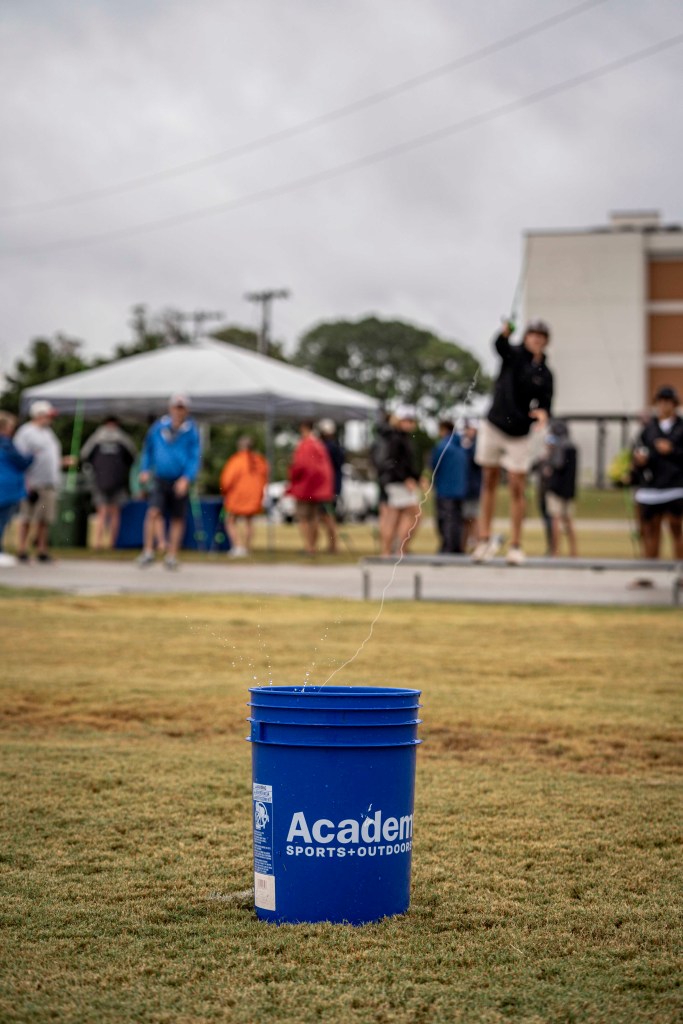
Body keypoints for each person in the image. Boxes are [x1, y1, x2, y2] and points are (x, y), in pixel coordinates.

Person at [473, 319, 553, 565]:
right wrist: (504, 334)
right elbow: (500, 346)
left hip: (520, 433)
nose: (536, 339)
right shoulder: (514, 354)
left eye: (541, 336)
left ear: (546, 341)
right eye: (532, 334)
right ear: (526, 337)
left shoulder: (545, 373)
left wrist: (543, 414)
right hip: (494, 424)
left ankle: (516, 545)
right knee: (489, 479)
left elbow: (546, 404)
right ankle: (483, 539)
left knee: (518, 485)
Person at [136, 395, 201, 569]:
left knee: (177, 518)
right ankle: (148, 551)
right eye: (176, 407)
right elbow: (148, 449)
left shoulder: (191, 430)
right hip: (160, 477)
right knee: (153, 512)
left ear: (186, 410)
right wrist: (145, 469)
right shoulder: (159, 426)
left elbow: (194, 457)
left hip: (180, 479)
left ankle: (172, 555)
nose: (178, 411)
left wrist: (187, 478)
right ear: (170, 408)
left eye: (181, 408)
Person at [14, 400, 75, 563]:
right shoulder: (26, 433)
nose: (50, 419)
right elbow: (19, 458)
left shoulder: (48, 433)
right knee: (27, 517)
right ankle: (22, 549)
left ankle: (42, 550)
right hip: (32, 483)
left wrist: (62, 462)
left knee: (44, 519)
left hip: (49, 483)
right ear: (38, 415)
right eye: (48, 416)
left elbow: (48, 457)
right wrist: (25, 482)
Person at [632, 385, 683, 559]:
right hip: (652, 486)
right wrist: (640, 461)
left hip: (675, 486)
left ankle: (679, 568)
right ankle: (650, 568)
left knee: (676, 527)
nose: (664, 405)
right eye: (661, 401)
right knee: (650, 529)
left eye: (668, 401)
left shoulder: (681, 428)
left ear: (674, 404)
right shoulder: (649, 429)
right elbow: (639, 452)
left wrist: (672, 450)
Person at [80, 416, 137, 549]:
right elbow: (133, 457)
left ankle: (98, 543)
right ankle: (112, 544)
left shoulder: (95, 438)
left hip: (100, 481)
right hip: (118, 481)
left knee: (101, 512)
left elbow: (84, 456)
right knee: (114, 513)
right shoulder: (123, 438)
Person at [375, 406, 423, 557]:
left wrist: (416, 477)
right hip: (397, 482)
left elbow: (406, 463)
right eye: (406, 420)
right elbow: (393, 462)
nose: (409, 423)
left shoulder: (399, 437)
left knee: (395, 516)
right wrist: (405, 478)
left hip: (395, 481)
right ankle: (397, 549)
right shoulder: (396, 438)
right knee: (412, 514)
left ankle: (390, 550)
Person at [286, 421, 334, 556]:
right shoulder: (319, 445)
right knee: (314, 518)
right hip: (318, 489)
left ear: (303, 428)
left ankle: (309, 547)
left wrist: (292, 476)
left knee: (303, 518)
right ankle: (313, 545)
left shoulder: (305, 445)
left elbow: (300, 466)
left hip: (305, 488)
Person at [219, 436, 269, 557]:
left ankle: (238, 546)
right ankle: (247, 548)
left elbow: (226, 480)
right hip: (254, 495)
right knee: (249, 521)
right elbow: (265, 476)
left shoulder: (236, 460)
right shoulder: (259, 460)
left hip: (237, 496)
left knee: (230, 520)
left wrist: (224, 491)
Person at [0, 411, 34, 567]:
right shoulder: (6, 444)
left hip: (5, 486)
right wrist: (32, 456)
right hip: (6, 488)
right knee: (2, 521)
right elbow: (22, 462)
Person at [430, 420, 467, 553]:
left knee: (445, 520)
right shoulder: (461, 447)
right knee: (457, 520)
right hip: (460, 490)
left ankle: (447, 547)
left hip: (445, 490)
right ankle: (457, 547)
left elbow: (434, 466)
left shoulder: (442, 447)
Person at [545, 419, 578, 557]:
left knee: (556, 520)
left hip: (556, 489)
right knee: (569, 521)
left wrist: (549, 454)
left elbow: (557, 464)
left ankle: (555, 552)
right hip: (569, 491)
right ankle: (574, 552)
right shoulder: (573, 447)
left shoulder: (558, 446)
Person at [318, 419, 345, 554]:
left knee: (328, 516)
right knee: (328, 516)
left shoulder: (328, 447)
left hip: (329, 487)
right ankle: (332, 545)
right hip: (334, 486)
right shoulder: (337, 446)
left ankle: (333, 545)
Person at [460, 420, 482, 553]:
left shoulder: (476, 445)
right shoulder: (464, 444)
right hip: (464, 488)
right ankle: (463, 546)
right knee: (465, 519)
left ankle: (478, 544)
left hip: (473, 488)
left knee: (473, 517)